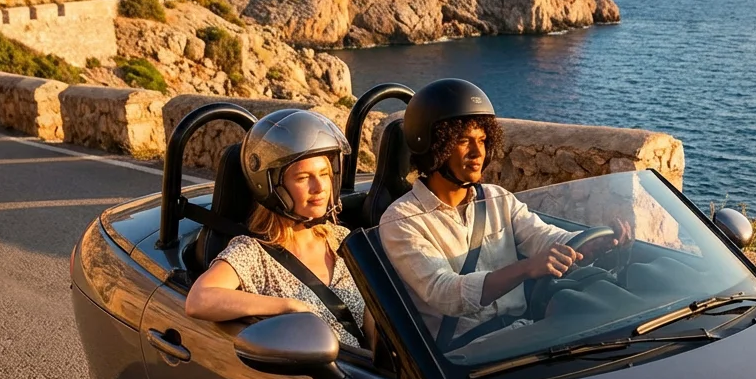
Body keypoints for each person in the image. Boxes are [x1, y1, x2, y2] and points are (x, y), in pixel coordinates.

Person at [379, 78, 627, 350]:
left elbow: (542, 237)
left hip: (524, 331)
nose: (477, 152)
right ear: (433, 146)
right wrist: (526, 269)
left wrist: (590, 242)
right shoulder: (400, 220)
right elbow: (445, 293)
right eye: (463, 141)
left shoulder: (496, 198)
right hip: (466, 353)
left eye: (482, 140)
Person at [186, 108, 370, 348]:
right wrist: (289, 307)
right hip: (309, 369)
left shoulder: (341, 240)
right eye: (303, 178)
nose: (319, 187)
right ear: (273, 187)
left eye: (324, 174)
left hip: (360, 368)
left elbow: (372, 322)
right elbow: (199, 299)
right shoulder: (253, 253)